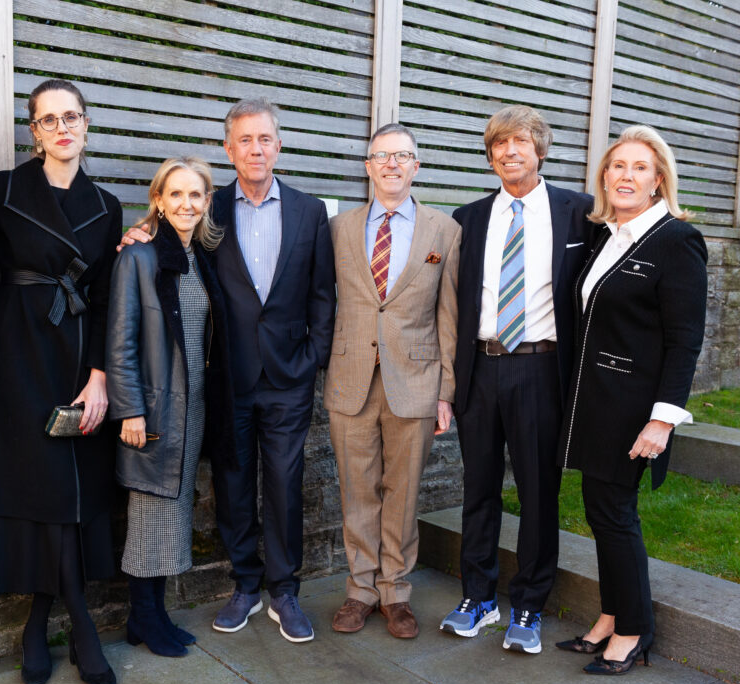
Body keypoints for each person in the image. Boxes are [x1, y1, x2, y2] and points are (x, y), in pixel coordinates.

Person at [120, 98, 335, 643]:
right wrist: (138, 231)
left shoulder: (310, 211)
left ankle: (284, 590)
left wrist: (313, 357)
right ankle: (245, 584)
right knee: (232, 484)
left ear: (278, 145)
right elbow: (171, 238)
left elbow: (322, 293)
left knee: (285, 484)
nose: (255, 149)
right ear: (229, 148)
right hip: (228, 376)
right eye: (245, 140)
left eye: (264, 139)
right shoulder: (208, 208)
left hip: (288, 376)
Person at [0, 79, 122, 684]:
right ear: (34, 131)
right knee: (38, 486)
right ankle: (79, 623)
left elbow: (108, 295)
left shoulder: (107, 204)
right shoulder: (4, 189)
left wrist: (100, 376)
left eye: (71, 117)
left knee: (69, 490)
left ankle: (41, 624)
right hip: (13, 357)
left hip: (77, 357)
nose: (62, 128)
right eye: (49, 119)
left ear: (86, 125)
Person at [441, 105, 594, 654]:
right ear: (490, 157)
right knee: (478, 489)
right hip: (481, 368)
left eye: (520, 142)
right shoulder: (467, 218)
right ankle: (478, 598)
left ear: (540, 150)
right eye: (499, 145)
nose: (509, 152)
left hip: (540, 368)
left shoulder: (581, 213)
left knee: (537, 491)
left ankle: (529, 603)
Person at [556, 125, 707, 675]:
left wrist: (662, 420)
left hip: (634, 410)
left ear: (658, 180)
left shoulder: (676, 240)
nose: (626, 176)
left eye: (640, 167)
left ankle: (633, 629)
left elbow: (685, 339)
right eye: (617, 166)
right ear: (604, 177)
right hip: (595, 403)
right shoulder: (607, 235)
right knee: (600, 511)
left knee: (615, 514)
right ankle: (611, 615)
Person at [326, 124, 460, 639]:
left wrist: (445, 391)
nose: (391, 164)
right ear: (368, 166)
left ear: (416, 166)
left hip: (416, 382)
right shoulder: (338, 228)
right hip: (351, 379)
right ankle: (360, 591)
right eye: (381, 156)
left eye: (402, 156)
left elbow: (448, 315)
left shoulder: (444, 230)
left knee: (402, 494)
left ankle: (396, 593)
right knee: (357, 491)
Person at [107, 156, 234, 658]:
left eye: (195, 195)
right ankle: (143, 616)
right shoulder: (138, 257)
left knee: (173, 513)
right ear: (158, 200)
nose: (186, 204)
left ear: (207, 202)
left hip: (193, 406)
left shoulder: (198, 256)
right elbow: (121, 341)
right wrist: (130, 410)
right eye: (175, 194)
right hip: (155, 408)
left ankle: (153, 616)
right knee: (149, 514)